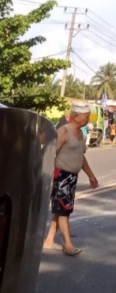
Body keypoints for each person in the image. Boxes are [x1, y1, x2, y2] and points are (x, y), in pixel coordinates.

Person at [43, 102, 98, 256]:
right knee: (64, 211)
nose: (88, 119)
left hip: (72, 177)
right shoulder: (64, 132)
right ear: (75, 116)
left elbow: (81, 158)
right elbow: (51, 154)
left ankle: (49, 240)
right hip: (61, 176)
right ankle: (68, 244)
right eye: (86, 116)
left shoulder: (81, 134)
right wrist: (49, 178)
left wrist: (91, 175)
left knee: (61, 209)